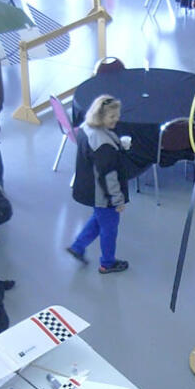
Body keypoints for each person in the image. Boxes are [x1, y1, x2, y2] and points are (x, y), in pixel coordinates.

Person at [68, 93, 130, 274]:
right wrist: (118, 201)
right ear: (100, 116)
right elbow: (109, 176)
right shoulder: (103, 145)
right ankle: (107, 263)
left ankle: (78, 246)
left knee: (99, 218)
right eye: (112, 116)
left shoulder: (86, 128)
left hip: (89, 189)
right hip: (103, 195)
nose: (116, 120)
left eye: (117, 115)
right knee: (109, 228)